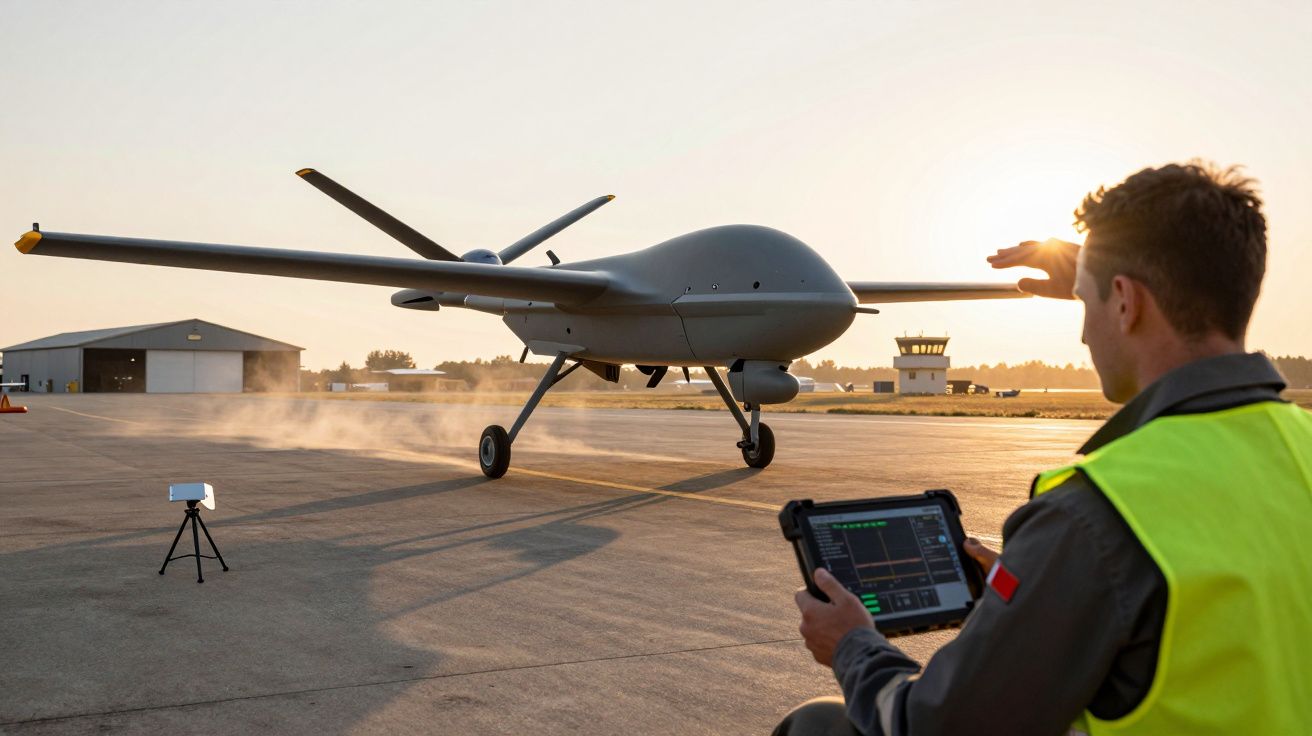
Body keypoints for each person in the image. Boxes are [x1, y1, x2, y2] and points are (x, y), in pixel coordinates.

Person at [775, 161, 1312, 735]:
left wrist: (852, 645)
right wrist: (1043, 591)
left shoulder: (1094, 516)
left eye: (1085, 303)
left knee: (817, 726)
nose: (1083, 334)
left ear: (1125, 302)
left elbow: (933, 726)